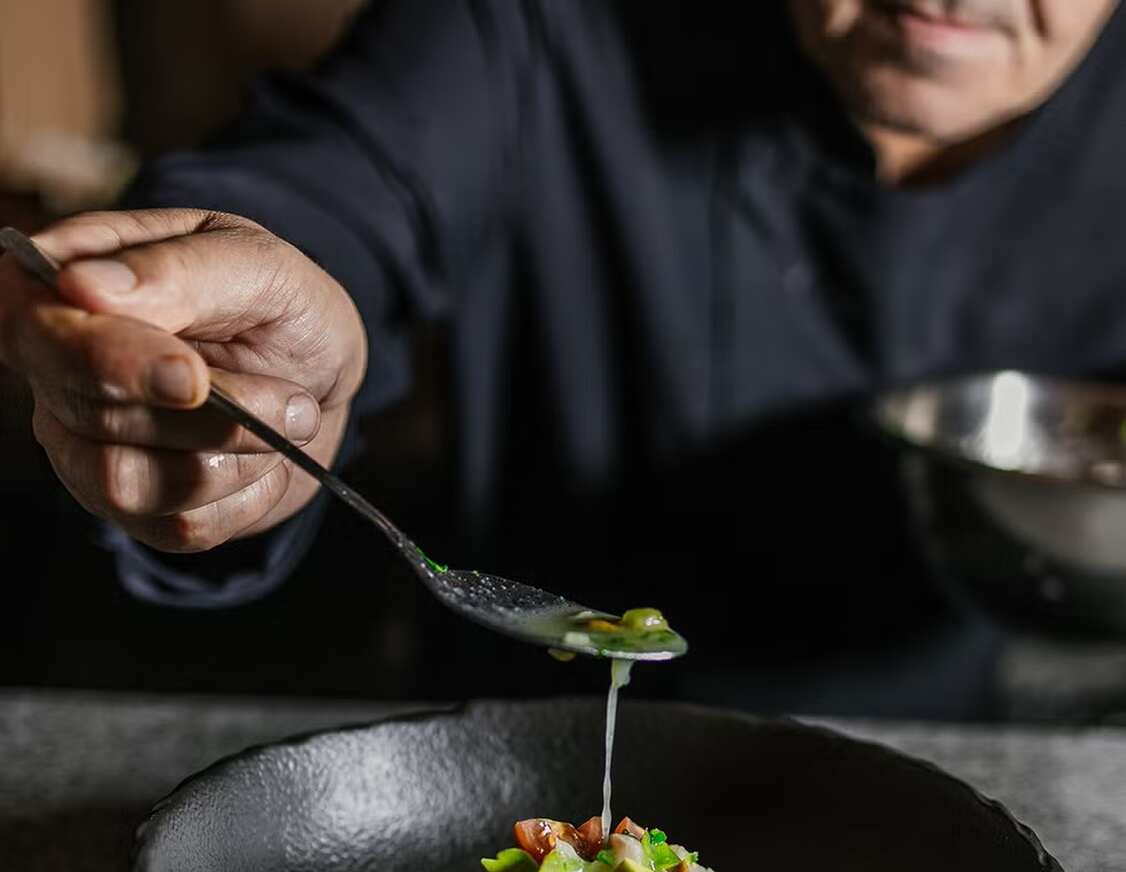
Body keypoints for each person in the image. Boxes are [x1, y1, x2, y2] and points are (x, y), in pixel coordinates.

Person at [1, 0, 1124, 714]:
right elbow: (334, 181)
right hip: (496, 764)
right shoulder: (540, 23)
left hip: (941, 772)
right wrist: (240, 319)